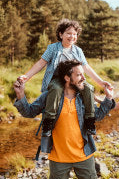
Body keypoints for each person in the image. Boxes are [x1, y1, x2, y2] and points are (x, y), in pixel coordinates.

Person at [14, 60, 115, 179]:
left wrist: (108, 98)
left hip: (84, 155)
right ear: (67, 78)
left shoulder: (84, 97)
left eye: (83, 74)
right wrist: (21, 94)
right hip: (58, 158)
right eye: (79, 75)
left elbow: (98, 115)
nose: (83, 78)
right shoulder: (50, 96)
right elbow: (29, 112)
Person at [17, 19, 112, 147]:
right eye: (68, 33)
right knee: (55, 89)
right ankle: (48, 122)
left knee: (89, 88)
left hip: (75, 80)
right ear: (61, 34)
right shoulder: (53, 48)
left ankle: (90, 120)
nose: (72, 36)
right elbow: (41, 63)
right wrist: (26, 77)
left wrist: (101, 82)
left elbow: (86, 68)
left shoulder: (78, 51)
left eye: (74, 34)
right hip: (57, 79)